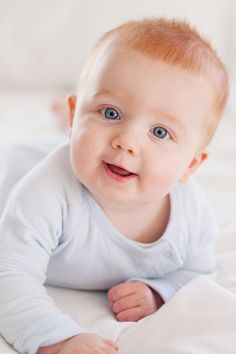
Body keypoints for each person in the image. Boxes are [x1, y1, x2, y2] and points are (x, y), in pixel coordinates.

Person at [0, 17, 229, 354]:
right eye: (110, 113)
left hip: (74, 145)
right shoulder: (44, 193)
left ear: (190, 165)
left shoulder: (190, 217)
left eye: (160, 132)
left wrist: (158, 291)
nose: (127, 142)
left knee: (85, 143)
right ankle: (64, 128)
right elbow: (9, 277)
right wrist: (57, 339)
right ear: (78, 113)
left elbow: (197, 271)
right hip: (10, 169)